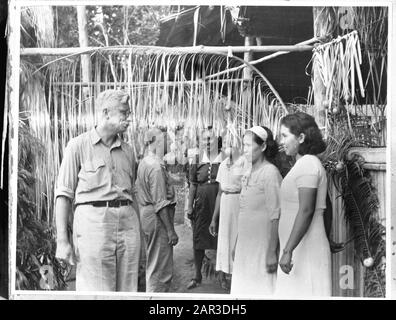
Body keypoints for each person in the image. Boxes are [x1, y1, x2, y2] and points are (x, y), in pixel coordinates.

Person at [55, 89, 141, 292]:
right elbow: (63, 195)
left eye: (128, 113)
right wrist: (62, 241)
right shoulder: (77, 146)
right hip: (94, 225)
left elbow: (133, 195)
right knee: (96, 292)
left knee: (128, 290)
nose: (128, 118)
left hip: (128, 224)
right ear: (105, 113)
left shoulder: (128, 151)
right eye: (123, 112)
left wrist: (139, 234)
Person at [276, 112, 331, 297]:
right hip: (299, 245)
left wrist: (287, 250)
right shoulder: (304, 164)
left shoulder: (308, 164)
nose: (281, 141)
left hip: (303, 246)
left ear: (300, 137)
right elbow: (325, 205)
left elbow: (307, 210)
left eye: (284, 136)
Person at [230, 126, 281, 296]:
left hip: (262, 245)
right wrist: (238, 241)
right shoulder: (249, 171)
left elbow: (276, 216)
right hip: (246, 244)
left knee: (261, 290)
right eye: (243, 145)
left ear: (263, 146)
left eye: (249, 145)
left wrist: (272, 252)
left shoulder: (270, 173)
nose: (244, 150)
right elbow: (244, 212)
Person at [136, 127, 179, 292]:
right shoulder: (155, 167)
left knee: (154, 260)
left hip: (147, 214)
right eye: (166, 140)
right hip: (156, 217)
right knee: (160, 268)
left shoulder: (146, 162)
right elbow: (160, 203)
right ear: (156, 142)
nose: (170, 143)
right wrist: (170, 231)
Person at [186, 126, 222, 289]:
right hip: (201, 203)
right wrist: (189, 207)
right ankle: (197, 275)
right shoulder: (196, 158)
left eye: (211, 139)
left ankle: (222, 275)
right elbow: (193, 184)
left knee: (221, 237)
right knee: (198, 238)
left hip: (219, 201)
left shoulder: (225, 157)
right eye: (205, 139)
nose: (208, 142)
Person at [209, 137, 246, 290]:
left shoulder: (244, 162)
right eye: (224, 145)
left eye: (229, 144)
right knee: (224, 238)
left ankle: (237, 275)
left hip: (238, 202)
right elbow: (219, 193)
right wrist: (213, 219)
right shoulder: (223, 165)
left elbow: (246, 189)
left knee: (237, 237)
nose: (226, 147)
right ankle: (223, 275)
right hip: (225, 202)